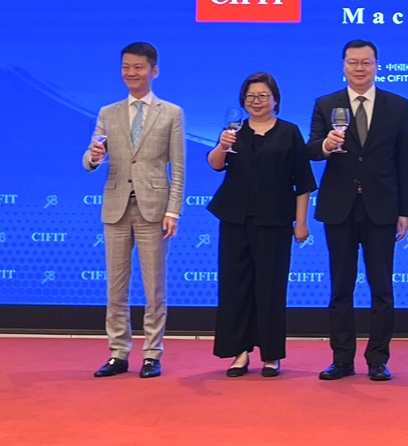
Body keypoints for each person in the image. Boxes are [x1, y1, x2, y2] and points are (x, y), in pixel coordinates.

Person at [308, 39, 408, 381]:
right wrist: (326, 145)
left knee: (381, 288)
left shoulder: (397, 105)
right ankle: (341, 359)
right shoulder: (326, 104)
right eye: (353, 62)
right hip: (339, 207)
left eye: (366, 62)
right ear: (343, 66)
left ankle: (378, 360)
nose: (359, 68)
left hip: (382, 208)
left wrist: (405, 209)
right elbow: (311, 149)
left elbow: (404, 160)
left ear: (376, 66)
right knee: (341, 287)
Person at [82, 42, 185, 379]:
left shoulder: (171, 113)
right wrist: (93, 158)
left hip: (154, 209)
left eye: (138, 67)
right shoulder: (108, 112)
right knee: (116, 287)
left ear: (154, 71)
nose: (131, 73)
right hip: (115, 208)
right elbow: (91, 155)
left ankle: (152, 354)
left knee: (154, 288)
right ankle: (118, 353)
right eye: (126, 67)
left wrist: (173, 211)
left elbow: (178, 167)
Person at [206, 72, 316, 378]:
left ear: (275, 100)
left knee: (270, 287)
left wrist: (301, 223)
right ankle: (240, 353)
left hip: (275, 220)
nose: (256, 101)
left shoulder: (290, 132)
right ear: (243, 101)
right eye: (250, 96)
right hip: (235, 218)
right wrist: (222, 145)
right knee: (235, 286)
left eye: (263, 96)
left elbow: (303, 182)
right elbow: (215, 164)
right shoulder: (233, 131)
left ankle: (271, 354)